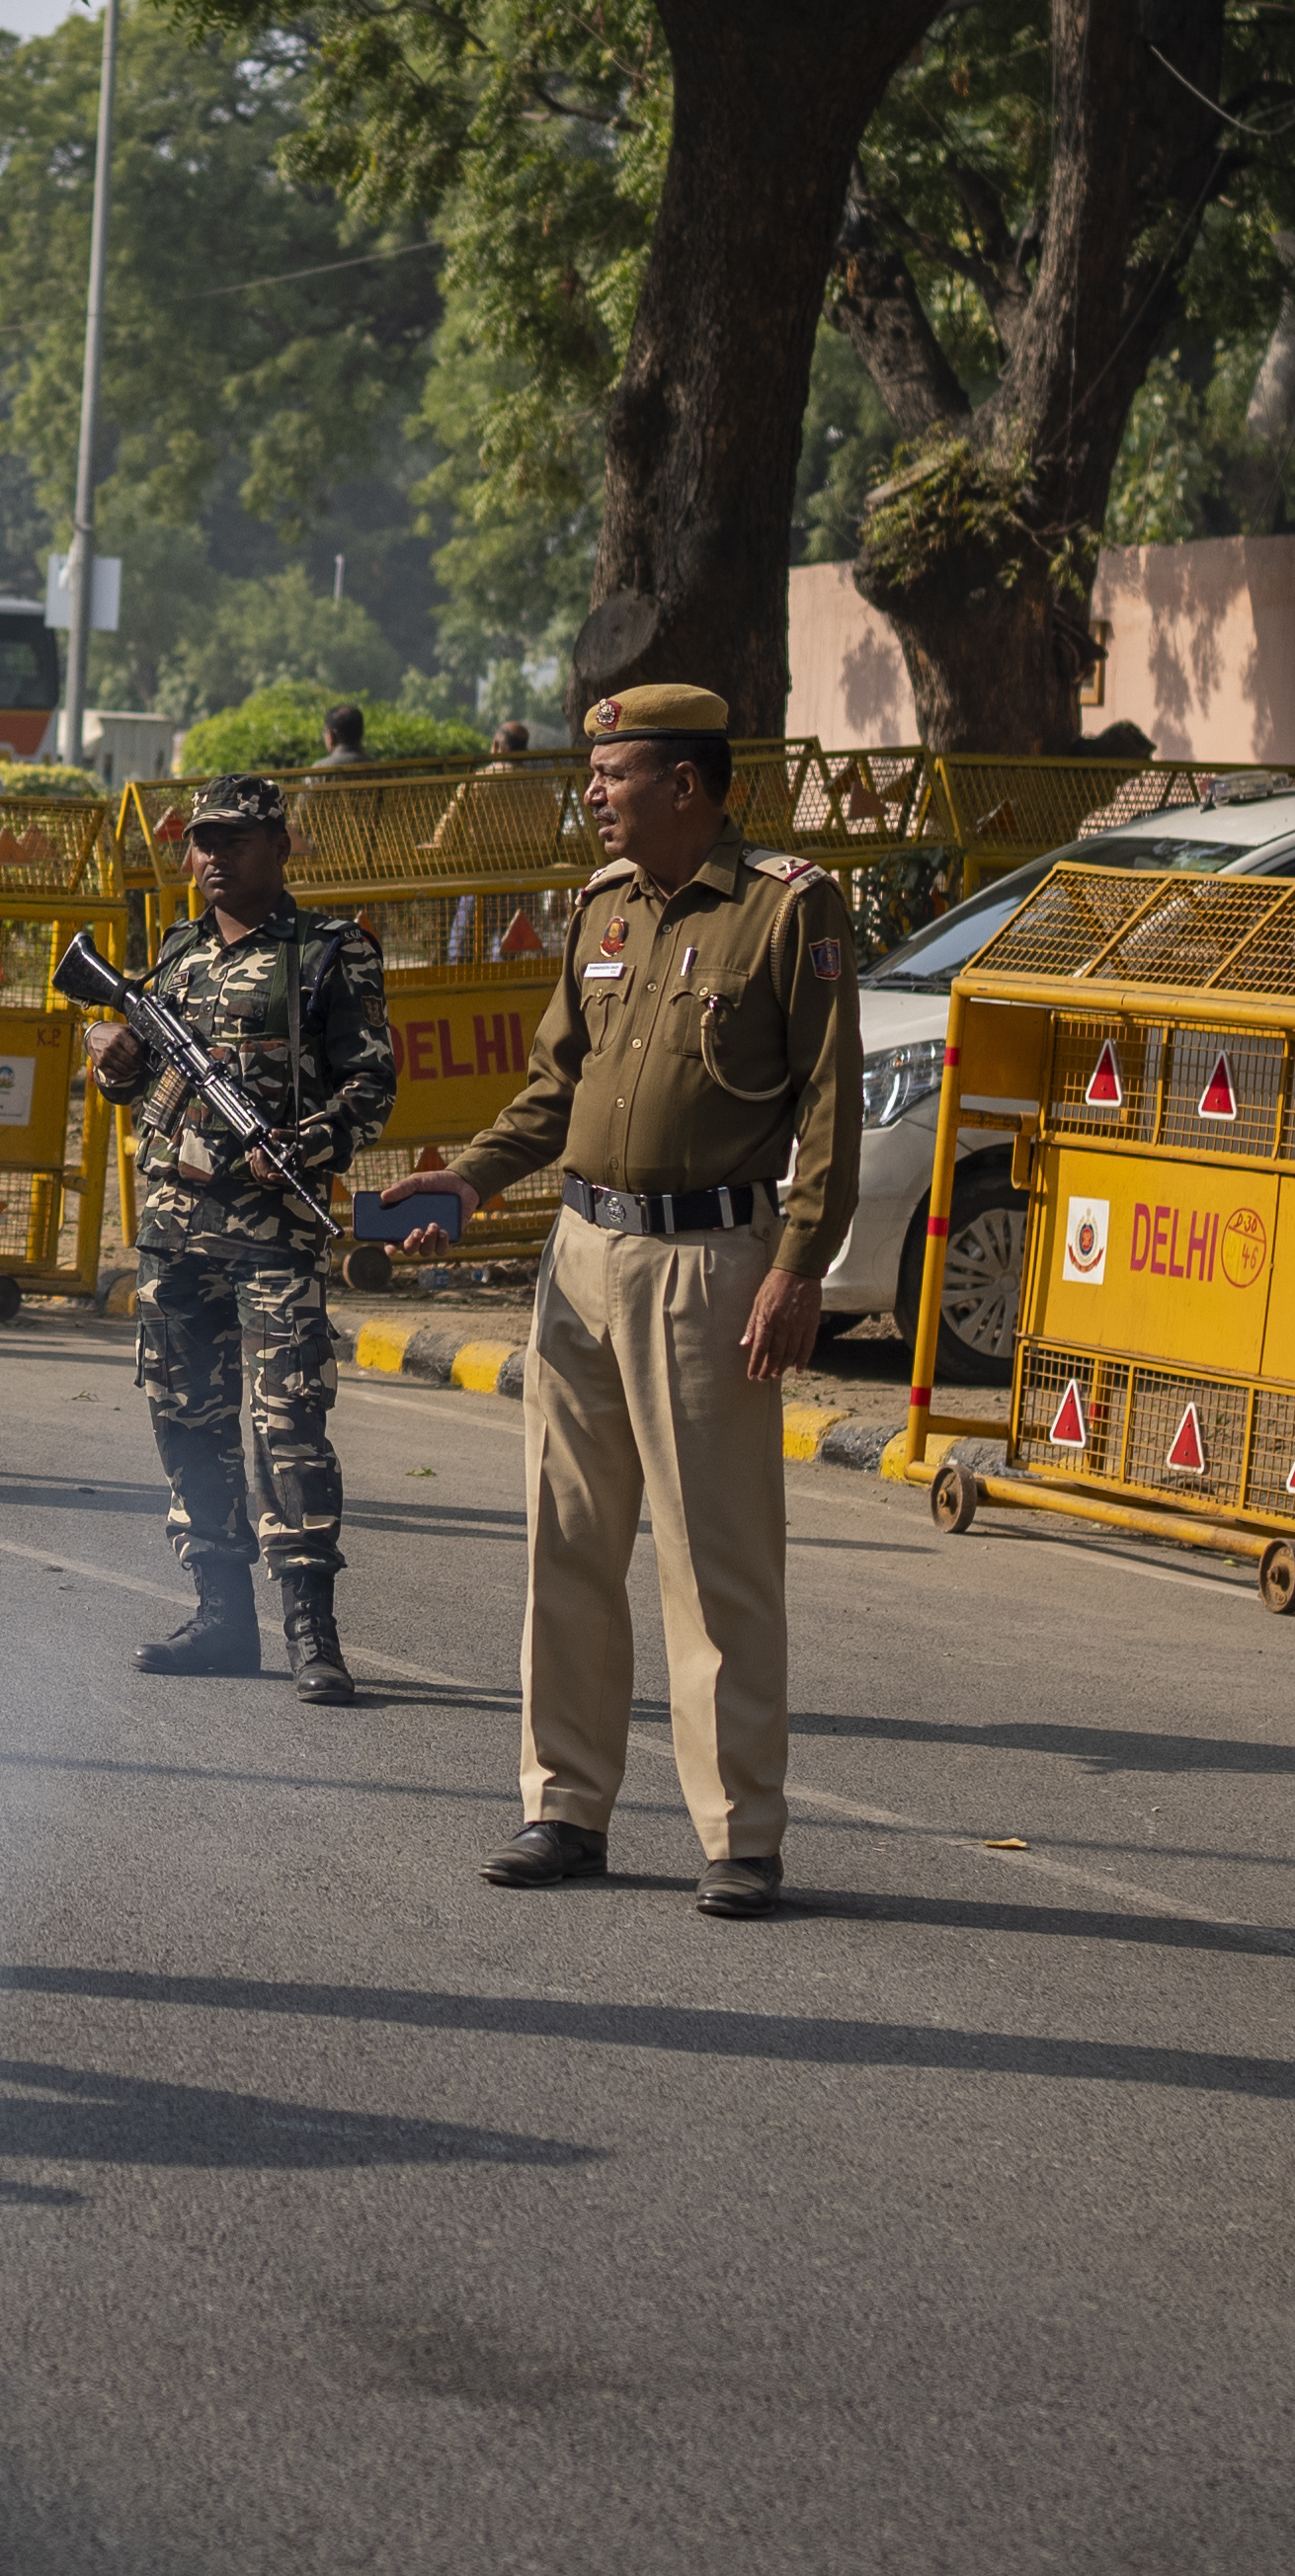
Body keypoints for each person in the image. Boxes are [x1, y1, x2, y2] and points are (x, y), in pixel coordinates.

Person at [366, 682, 854, 1918]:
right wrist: (471, 1179)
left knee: (715, 1559)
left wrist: (797, 1263)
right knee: (565, 1546)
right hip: (580, 1255)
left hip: (709, 1269)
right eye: (595, 773)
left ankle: (740, 1834)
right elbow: (552, 1085)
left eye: (615, 773)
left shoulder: (785, 912)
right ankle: (563, 1807)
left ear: (685, 783)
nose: (594, 791)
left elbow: (829, 1111)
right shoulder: (600, 911)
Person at [89, 773, 397, 1699]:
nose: (212, 857)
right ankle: (221, 1615)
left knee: (288, 1423)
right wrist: (113, 1056)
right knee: (184, 1419)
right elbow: (130, 1083)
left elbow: (371, 1088)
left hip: (273, 1235)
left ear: (280, 846)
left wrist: (307, 1142)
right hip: (174, 1232)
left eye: (234, 840)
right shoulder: (176, 955)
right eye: (201, 842)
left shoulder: (329, 953)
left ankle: (310, 1627)